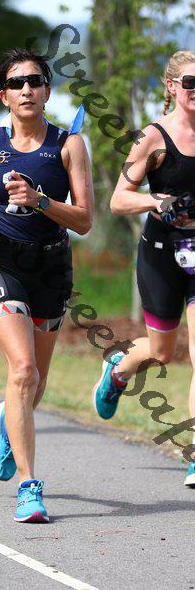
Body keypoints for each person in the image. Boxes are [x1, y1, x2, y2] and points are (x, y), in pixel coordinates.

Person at [0, 48, 93, 522]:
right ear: (3, 95)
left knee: (36, 381)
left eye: (35, 81)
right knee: (23, 370)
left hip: (50, 266)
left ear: (47, 91)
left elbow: (84, 221)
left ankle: (9, 423)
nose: (26, 89)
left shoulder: (69, 146)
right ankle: (30, 486)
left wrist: (40, 200)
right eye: (16, 83)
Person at [93, 50, 195, 487]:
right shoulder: (152, 139)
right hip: (161, 255)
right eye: (190, 83)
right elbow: (118, 199)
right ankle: (118, 370)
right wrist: (156, 201)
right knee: (161, 352)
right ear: (171, 87)